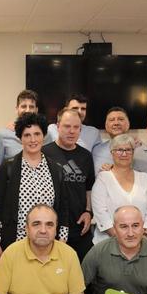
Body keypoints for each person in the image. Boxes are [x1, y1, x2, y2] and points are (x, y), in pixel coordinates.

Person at [0, 112, 69, 266]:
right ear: (20, 138)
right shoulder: (8, 168)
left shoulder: (56, 169)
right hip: (14, 244)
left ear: (44, 136)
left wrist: (63, 240)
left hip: (48, 245)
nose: (33, 140)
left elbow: (63, 209)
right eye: (27, 135)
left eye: (37, 134)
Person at [43, 109, 95, 259]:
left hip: (79, 227)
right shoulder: (44, 153)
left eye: (76, 127)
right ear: (57, 126)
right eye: (67, 126)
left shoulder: (86, 156)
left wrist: (88, 211)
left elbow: (88, 188)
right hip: (51, 226)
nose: (71, 131)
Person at [91, 134, 147, 244]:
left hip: (141, 243)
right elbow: (100, 213)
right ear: (112, 153)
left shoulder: (144, 178)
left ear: (133, 152)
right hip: (108, 243)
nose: (124, 154)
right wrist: (123, 240)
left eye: (128, 150)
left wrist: (144, 238)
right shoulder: (103, 178)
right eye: (119, 150)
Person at [0, 89, 38, 165]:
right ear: (17, 109)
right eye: (23, 106)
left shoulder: (43, 136)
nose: (27, 110)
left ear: (36, 110)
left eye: (31, 107)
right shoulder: (2, 136)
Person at [92, 106, 133, 173]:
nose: (116, 123)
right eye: (112, 120)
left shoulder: (138, 149)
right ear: (106, 126)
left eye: (121, 119)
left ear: (128, 124)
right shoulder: (96, 150)